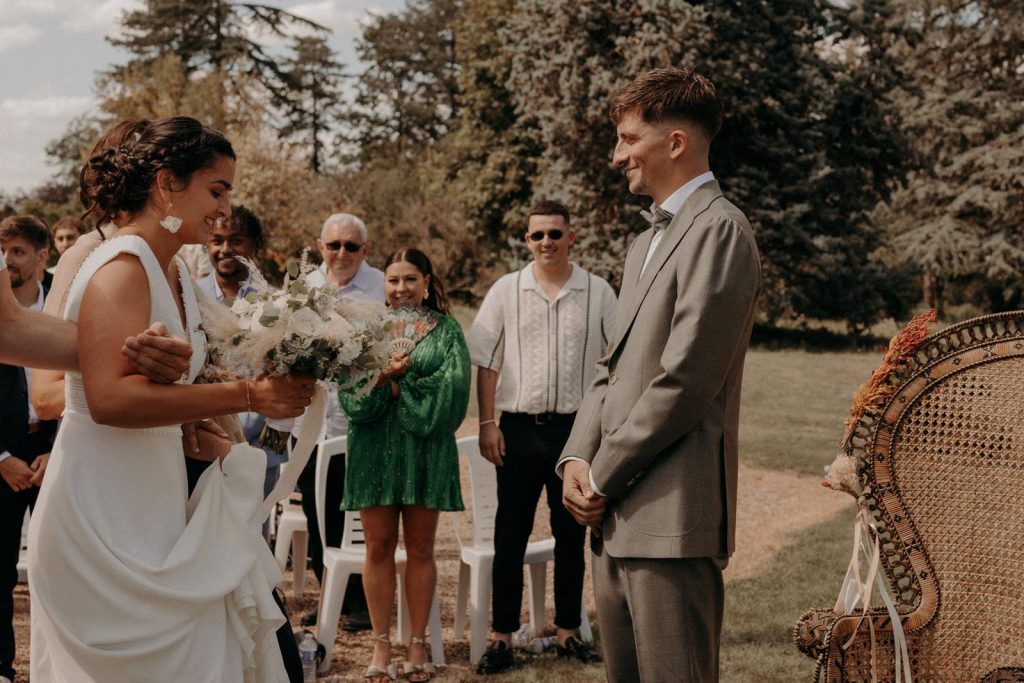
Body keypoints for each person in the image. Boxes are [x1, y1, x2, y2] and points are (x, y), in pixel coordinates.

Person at [27, 116, 316, 682]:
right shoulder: (123, 267)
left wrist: (196, 423)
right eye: (217, 190)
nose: (225, 210)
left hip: (158, 506)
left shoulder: (179, 274)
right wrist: (251, 394)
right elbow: (108, 401)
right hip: (102, 513)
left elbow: (166, 393)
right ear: (166, 184)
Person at [557, 67, 762, 682]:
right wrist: (573, 459)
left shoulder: (720, 230)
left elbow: (686, 381)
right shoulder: (643, 243)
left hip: (671, 518)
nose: (617, 155)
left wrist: (603, 474)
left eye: (627, 139)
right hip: (614, 517)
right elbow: (610, 367)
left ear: (675, 143)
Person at [468, 200, 615, 674]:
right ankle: (502, 637)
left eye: (555, 233)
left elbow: (616, 363)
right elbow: (486, 362)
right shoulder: (507, 290)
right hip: (517, 429)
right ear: (526, 240)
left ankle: (569, 631)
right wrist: (486, 424)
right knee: (510, 533)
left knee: (572, 532)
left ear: (572, 237)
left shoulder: (598, 292)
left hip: (576, 432)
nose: (546, 242)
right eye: (537, 235)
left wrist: (604, 430)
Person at [338, 248, 469, 683]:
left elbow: (452, 393)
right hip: (373, 450)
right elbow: (351, 394)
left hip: (425, 450)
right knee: (376, 549)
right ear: (384, 284)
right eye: (393, 280)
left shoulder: (447, 331)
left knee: (421, 549)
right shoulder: (365, 330)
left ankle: (416, 642)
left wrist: (400, 390)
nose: (400, 288)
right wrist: (384, 386)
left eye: (410, 279)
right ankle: (380, 645)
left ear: (427, 282)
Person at [286, 212, 382, 631]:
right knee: (317, 512)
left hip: (361, 423)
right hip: (311, 423)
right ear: (321, 246)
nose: (342, 253)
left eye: (351, 246)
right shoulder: (305, 288)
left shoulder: (382, 287)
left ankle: (363, 601)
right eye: (334, 245)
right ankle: (333, 597)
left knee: (361, 512)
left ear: (366, 250)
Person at [0, 216, 59, 683]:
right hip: (3, 453)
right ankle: (1, 667)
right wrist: (2, 459)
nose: (7, 260)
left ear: (42, 256)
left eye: (17, 251)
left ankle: (57, 667)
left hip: (58, 447)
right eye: (2, 250)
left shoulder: (66, 297)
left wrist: (56, 452)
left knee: (59, 564)